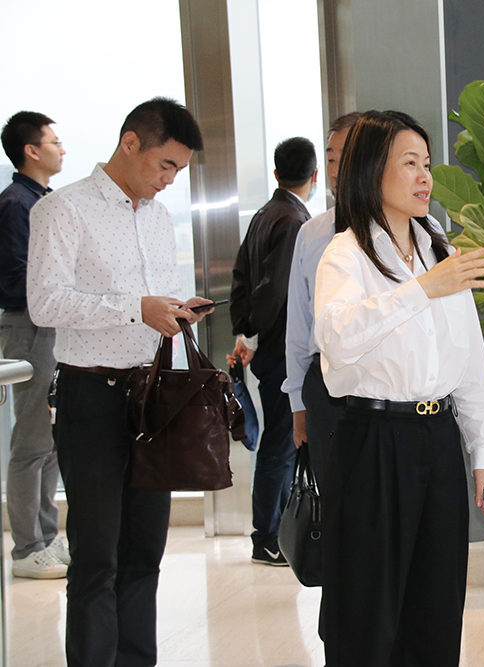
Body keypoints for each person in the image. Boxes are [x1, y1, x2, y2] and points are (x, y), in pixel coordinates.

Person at [26, 97, 211, 667]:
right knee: (96, 558)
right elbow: (44, 303)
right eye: (165, 164)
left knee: (145, 553)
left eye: (179, 170)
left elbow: (148, 302)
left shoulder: (157, 218)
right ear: (130, 143)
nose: (169, 179)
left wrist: (174, 310)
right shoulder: (63, 209)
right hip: (92, 399)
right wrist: (136, 309)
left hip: (152, 398)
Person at [313, 110, 484, 666]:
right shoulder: (345, 252)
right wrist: (421, 289)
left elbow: (469, 359)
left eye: (427, 164)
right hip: (372, 441)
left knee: (435, 608)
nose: (425, 177)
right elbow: (336, 337)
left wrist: (482, 454)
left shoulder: (439, 249)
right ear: (373, 171)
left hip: (437, 440)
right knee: (366, 615)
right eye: (410, 163)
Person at [229, 136, 318, 566]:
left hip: (267, 346)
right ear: (315, 176)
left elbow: (241, 278)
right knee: (281, 444)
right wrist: (251, 334)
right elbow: (274, 289)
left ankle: (272, 533)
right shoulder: (294, 220)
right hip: (282, 349)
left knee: (279, 442)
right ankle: (267, 537)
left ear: (277, 173)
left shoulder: (266, 214)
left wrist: (244, 333)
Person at [0, 111, 68, 579]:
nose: (61, 149)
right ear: (31, 150)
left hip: (50, 326)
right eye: (54, 142)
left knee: (50, 441)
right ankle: (27, 548)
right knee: (30, 442)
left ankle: (45, 537)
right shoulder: (16, 204)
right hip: (29, 327)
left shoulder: (42, 200)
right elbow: (18, 277)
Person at [283, 112, 362, 494]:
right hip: (325, 386)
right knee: (335, 501)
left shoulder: (407, 231)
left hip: (379, 383)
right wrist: (298, 402)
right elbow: (298, 325)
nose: (335, 169)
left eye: (346, 156)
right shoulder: (311, 233)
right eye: (330, 158)